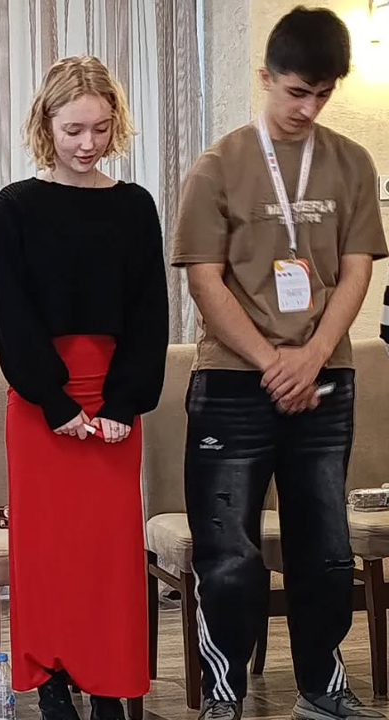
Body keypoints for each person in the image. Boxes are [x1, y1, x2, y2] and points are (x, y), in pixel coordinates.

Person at [172, 8, 388, 720]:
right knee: (229, 553)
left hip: (326, 379)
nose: (308, 108)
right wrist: (273, 361)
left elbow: (356, 270)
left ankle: (322, 688)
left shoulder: (351, 163)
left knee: (324, 547)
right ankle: (224, 692)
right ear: (265, 76)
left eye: (322, 94)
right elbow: (204, 280)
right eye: (297, 91)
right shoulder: (218, 166)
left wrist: (313, 356)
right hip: (234, 381)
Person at [0, 55, 167, 720]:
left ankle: (109, 683)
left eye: (99, 128)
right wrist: (56, 402)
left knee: (108, 558)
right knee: (49, 553)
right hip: (42, 406)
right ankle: (54, 681)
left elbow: (150, 314)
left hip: (115, 400)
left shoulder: (135, 205)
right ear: (47, 126)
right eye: (72, 130)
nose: (87, 144)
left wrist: (123, 403)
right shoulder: (17, 205)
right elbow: (11, 314)